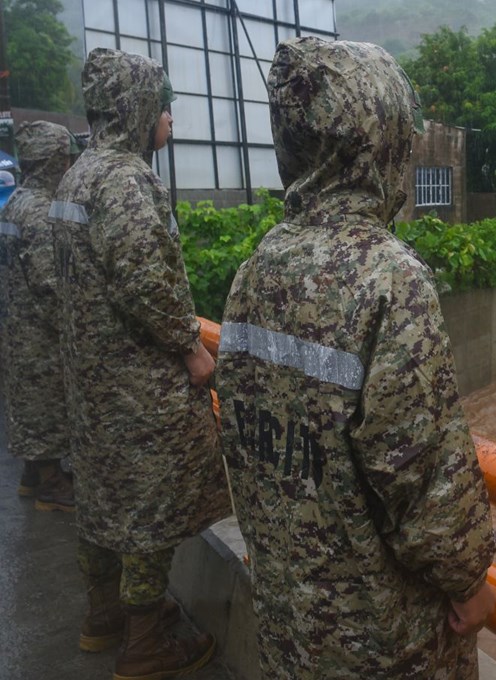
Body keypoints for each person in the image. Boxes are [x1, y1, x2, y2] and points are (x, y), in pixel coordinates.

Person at [216, 37, 496, 679]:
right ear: (384, 141)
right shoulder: (390, 281)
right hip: (382, 640)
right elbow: (420, 470)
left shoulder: (254, 270)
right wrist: (467, 578)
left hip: (290, 625)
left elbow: (243, 433)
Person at [50, 47, 231, 678]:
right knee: (149, 507)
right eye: (165, 108)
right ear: (136, 110)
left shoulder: (75, 176)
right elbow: (145, 280)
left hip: (92, 384)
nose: (171, 120)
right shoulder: (126, 180)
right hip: (136, 387)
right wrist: (191, 345)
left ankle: (101, 617)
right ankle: (145, 640)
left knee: (101, 498)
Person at [0, 121, 76, 511]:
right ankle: (50, 482)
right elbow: (51, 283)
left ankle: (33, 474)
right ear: (51, 162)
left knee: (27, 399)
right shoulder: (42, 213)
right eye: (64, 159)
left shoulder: (14, 202)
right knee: (45, 400)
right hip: (38, 332)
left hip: (15, 325)